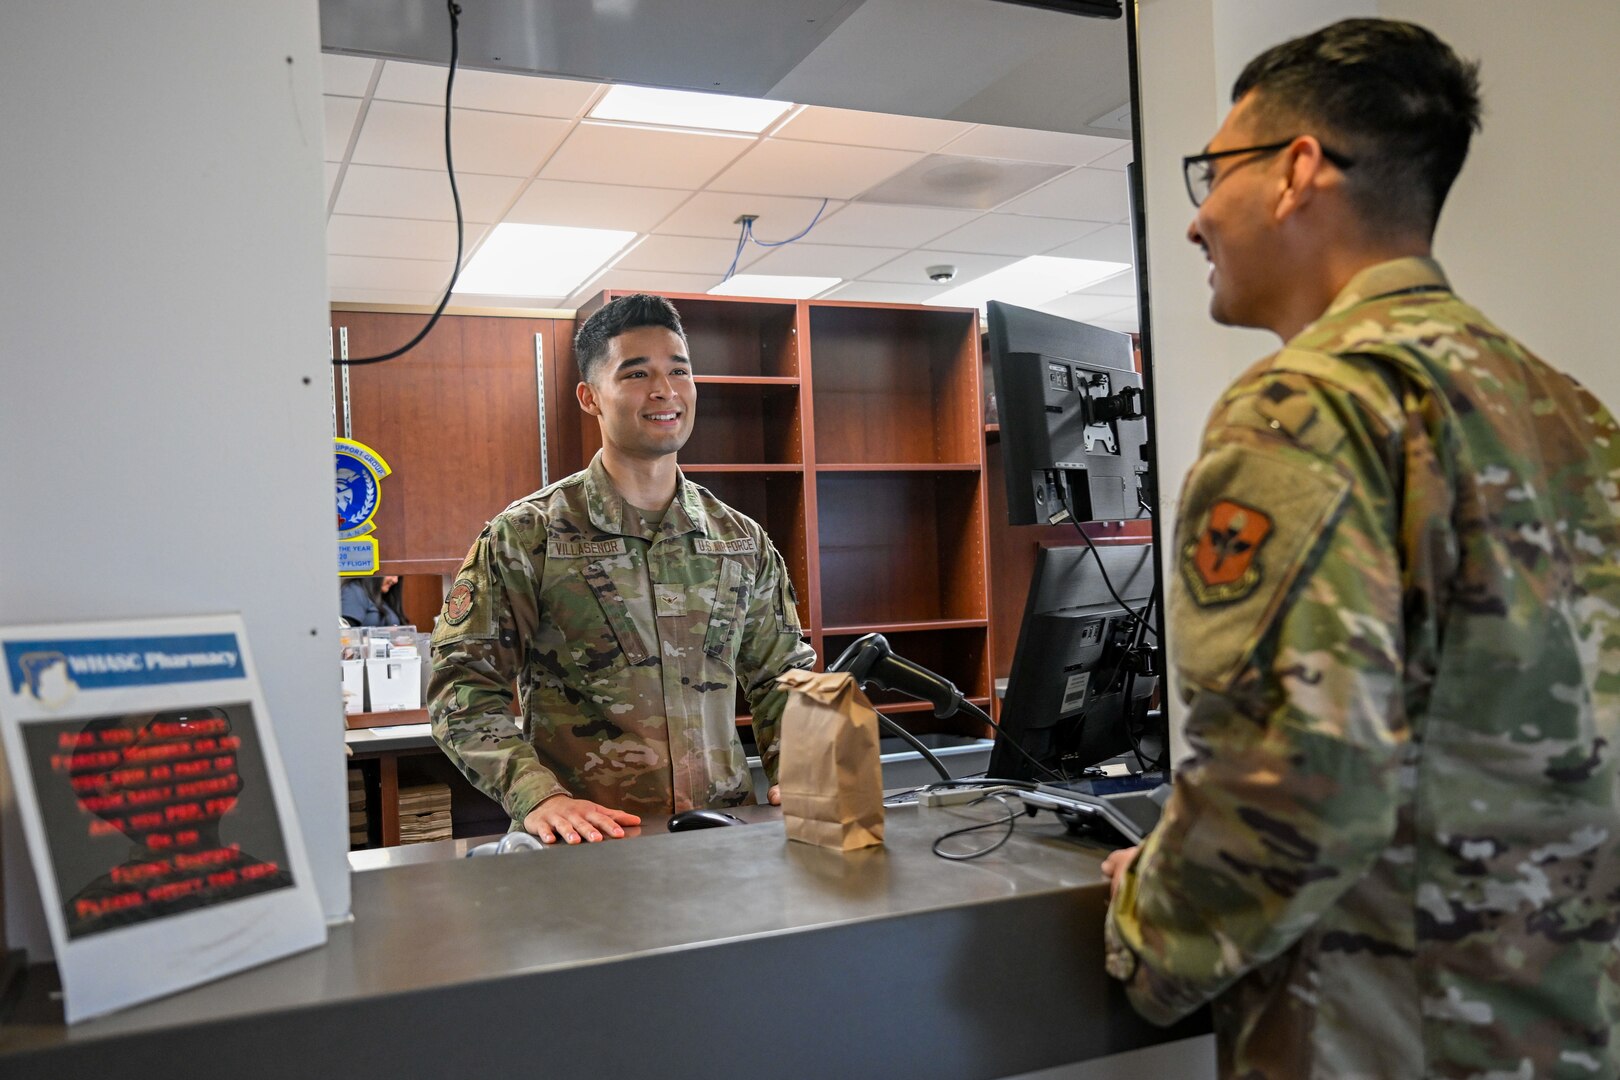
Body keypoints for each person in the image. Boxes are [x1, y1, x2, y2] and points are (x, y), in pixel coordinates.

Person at [1102, 19, 1620, 1078]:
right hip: (1562, 1025)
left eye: (1213, 172)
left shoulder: (1305, 408)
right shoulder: (1571, 413)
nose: (1196, 218)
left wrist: (1146, 928)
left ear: (1298, 172)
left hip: (1387, 1035)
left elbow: (1293, 782)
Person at [429, 294, 815, 845]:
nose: (665, 390)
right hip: (589, 843)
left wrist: (800, 769)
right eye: (636, 374)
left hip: (723, 838)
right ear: (590, 398)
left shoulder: (739, 539)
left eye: (678, 370)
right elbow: (460, 689)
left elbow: (783, 677)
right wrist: (539, 796)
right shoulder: (528, 535)